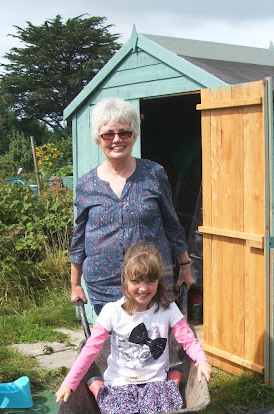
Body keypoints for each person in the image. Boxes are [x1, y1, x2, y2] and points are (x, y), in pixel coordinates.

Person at [56, 243, 212, 414]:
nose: (143, 288)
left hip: (155, 382)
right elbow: (90, 350)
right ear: (125, 281)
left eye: (150, 281)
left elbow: (188, 340)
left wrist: (202, 360)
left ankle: (172, 380)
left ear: (158, 281)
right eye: (136, 281)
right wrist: (69, 383)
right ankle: (97, 387)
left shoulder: (167, 309)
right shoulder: (112, 311)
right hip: (119, 382)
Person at [70, 97, 193, 316]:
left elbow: (171, 223)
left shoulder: (153, 174)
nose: (116, 140)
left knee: (155, 344)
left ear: (134, 136)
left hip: (151, 281)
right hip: (105, 284)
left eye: (124, 133)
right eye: (108, 134)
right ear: (99, 140)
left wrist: (185, 267)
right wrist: (75, 284)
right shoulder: (86, 184)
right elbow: (79, 237)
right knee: (114, 346)